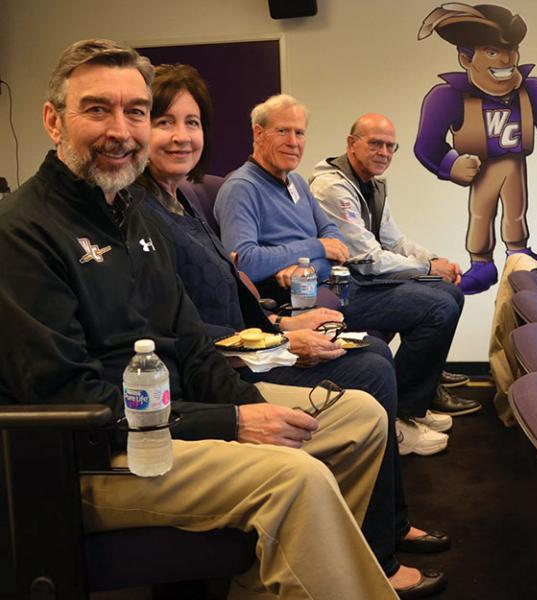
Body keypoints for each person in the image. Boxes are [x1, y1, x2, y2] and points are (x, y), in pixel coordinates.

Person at [0, 39, 397, 599]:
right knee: (296, 476)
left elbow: (192, 344)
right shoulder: (22, 231)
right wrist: (231, 425)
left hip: (179, 415)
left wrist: (248, 407)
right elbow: (72, 401)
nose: (121, 129)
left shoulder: (137, 218)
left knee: (358, 417)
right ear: (52, 121)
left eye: (135, 111)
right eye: (97, 109)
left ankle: (272, 584)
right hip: (98, 457)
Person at [135, 64, 446, 597]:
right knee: (375, 365)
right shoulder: (204, 196)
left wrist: (282, 319)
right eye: (164, 121)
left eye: (192, 122)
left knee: (375, 349)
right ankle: (377, 548)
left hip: (269, 324)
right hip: (229, 361)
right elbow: (245, 264)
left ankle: (383, 526)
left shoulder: (186, 198)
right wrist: (281, 330)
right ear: (257, 134)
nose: (181, 136)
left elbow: (325, 246)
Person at [214, 94, 480, 453]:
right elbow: (242, 261)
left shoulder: (297, 184)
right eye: (283, 131)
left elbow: (337, 241)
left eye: (300, 132)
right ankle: (401, 417)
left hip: (335, 284)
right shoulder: (241, 187)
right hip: (302, 302)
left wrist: (306, 261)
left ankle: (411, 409)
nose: (294, 142)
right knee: (437, 307)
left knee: (447, 295)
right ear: (258, 134)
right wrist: (314, 251)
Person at [414, 3, 537, 294]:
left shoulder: (530, 88)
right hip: (480, 168)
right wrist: (450, 164)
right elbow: (426, 145)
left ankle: (518, 251)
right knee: (481, 212)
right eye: (491, 51)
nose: (505, 59)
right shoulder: (448, 96)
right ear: (466, 58)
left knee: (516, 207)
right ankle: (482, 262)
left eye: (511, 49)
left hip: (514, 163)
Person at [310, 113, 462, 286]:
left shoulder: (372, 185)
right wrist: (429, 267)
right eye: (375, 143)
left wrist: (437, 261)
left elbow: (395, 242)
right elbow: (367, 260)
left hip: (362, 276)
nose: (384, 153)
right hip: (340, 283)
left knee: (447, 289)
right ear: (352, 143)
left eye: (390, 146)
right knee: (440, 299)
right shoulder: (331, 187)